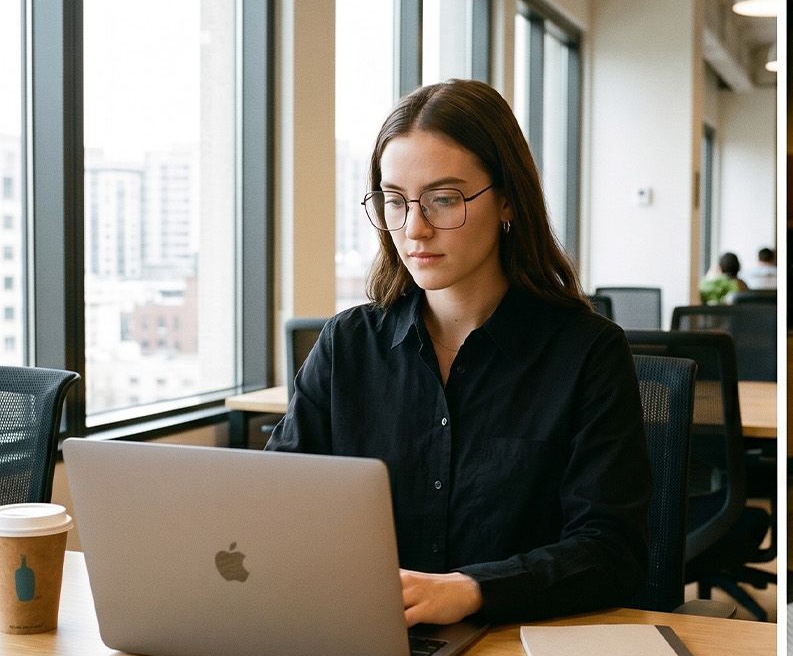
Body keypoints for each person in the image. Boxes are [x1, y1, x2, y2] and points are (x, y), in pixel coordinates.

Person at [268, 79, 649, 627]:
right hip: (367, 635)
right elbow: (279, 502)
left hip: (519, 648)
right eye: (395, 201)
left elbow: (612, 552)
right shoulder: (348, 344)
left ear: (509, 200)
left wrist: (474, 590)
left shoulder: (587, 353)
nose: (414, 228)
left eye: (444, 200)